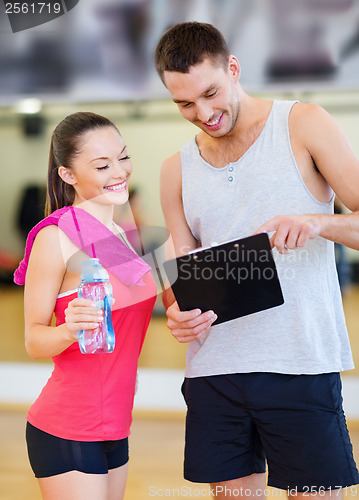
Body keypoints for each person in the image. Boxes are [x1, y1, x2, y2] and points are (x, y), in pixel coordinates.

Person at [154, 22, 359, 499]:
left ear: (234, 68)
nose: (203, 113)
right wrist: (176, 311)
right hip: (214, 372)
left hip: (300, 364)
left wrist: (319, 223)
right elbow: (179, 271)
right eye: (185, 103)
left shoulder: (303, 122)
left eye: (211, 93)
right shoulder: (174, 170)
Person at [13, 112, 156, 500]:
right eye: (101, 165)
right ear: (68, 175)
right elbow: (33, 340)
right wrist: (66, 329)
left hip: (116, 425)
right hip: (68, 427)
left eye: (122, 157)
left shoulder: (121, 234)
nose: (119, 171)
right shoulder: (55, 236)